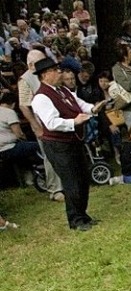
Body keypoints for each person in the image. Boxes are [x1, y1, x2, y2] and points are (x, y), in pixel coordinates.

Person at [30, 56, 108, 231]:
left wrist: (93, 108)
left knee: (83, 178)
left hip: (73, 141)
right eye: (56, 70)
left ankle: (83, 214)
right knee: (71, 181)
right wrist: (74, 122)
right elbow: (51, 122)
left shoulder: (62, 90)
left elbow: (79, 104)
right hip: (58, 145)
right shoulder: (41, 97)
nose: (60, 72)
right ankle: (75, 220)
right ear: (45, 75)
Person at [18, 49, 64, 202]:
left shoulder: (49, 74)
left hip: (58, 118)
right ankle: (55, 189)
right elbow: (24, 106)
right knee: (50, 156)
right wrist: (36, 126)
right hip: (42, 124)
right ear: (31, 65)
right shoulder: (24, 80)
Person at [0, 88, 41, 179]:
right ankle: (39, 172)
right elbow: (19, 134)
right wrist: (26, 140)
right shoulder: (9, 112)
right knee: (38, 146)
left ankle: (28, 175)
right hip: (9, 147)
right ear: (14, 103)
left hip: (2, 148)